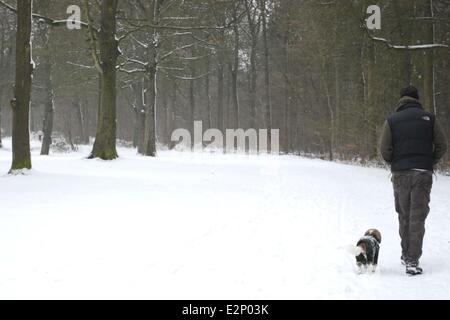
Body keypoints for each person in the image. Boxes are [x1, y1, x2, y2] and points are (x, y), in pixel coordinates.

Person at [380, 85, 448, 276]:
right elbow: (442, 145)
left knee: (403, 214)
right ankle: (412, 260)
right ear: (417, 99)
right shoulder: (429, 119)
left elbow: (384, 148)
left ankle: (405, 253)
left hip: (401, 174)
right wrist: (429, 161)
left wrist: (394, 163)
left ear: (401, 100)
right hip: (422, 174)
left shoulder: (392, 120)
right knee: (417, 216)